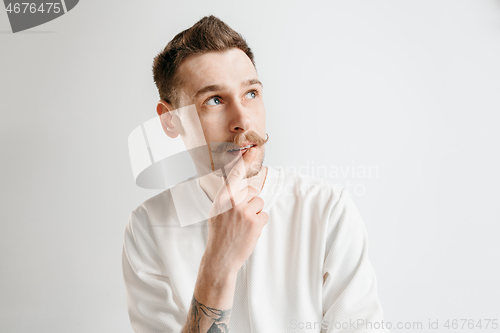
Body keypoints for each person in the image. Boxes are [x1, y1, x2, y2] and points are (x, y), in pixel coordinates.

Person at [122, 15, 388, 333]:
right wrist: (218, 264)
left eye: (251, 93)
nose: (243, 121)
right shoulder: (147, 229)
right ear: (170, 121)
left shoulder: (327, 210)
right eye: (215, 100)